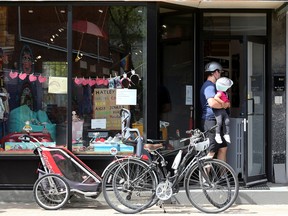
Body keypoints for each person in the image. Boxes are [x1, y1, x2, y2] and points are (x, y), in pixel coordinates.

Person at [200, 61, 230, 162]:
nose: (220, 75)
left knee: (223, 148)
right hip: (210, 121)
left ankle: (222, 177)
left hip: (216, 121)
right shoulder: (209, 86)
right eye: (220, 73)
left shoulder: (214, 86)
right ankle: (204, 178)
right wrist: (224, 105)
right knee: (211, 151)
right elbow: (212, 103)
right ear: (215, 72)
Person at [214, 77, 233, 144]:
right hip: (219, 110)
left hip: (224, 109)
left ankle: (227, 134)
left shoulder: (225, 93)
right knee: (219, 122)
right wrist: (222, 102)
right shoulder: (220, 93)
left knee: (227, 121)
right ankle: (217, 134)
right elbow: (216, 97)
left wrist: (227, 104)